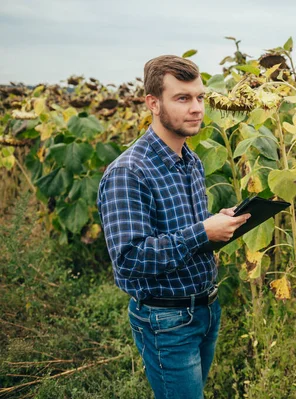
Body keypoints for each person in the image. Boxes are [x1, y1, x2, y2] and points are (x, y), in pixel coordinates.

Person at [97, 55, 250, 399]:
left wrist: (218, 224)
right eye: (182, 98)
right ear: (153, 103)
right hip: (166, 319)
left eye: (199, 97)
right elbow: (129, 258)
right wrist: (203, 232)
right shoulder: (129, 172)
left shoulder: (190, 161)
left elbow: (183, 233)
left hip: (205, 309)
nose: (197, 108)